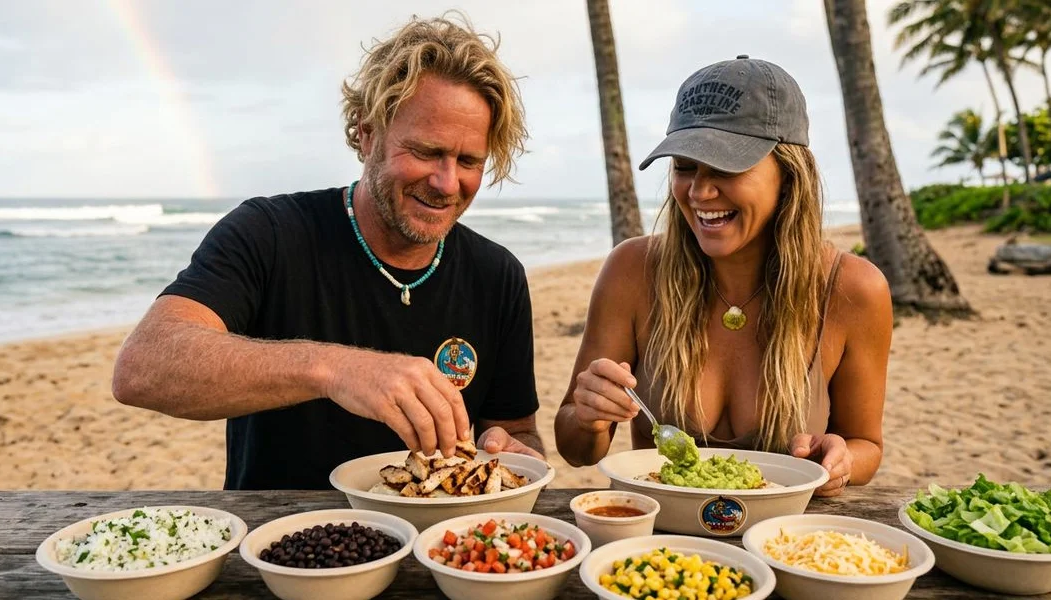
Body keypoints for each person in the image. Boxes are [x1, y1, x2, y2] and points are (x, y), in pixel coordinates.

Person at [112, 14, 543, 492]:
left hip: (442, 550)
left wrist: (513, 451)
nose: (446, 183)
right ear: (367, 134)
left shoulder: (497, 275)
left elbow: (517, 429)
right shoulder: (270, 234)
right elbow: (142, 367)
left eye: (468, 161)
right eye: (425, 152)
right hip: (282, 548)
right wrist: (335, 370)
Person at [553, 55, 893, 497]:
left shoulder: (853, 289)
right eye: (685, 166)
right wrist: (588, 414)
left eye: (726, 168)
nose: (699, 192)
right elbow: (577, 449)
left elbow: (865, 444)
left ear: (789, 176)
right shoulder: (632, 271)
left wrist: (840, 460)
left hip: (782, 541)